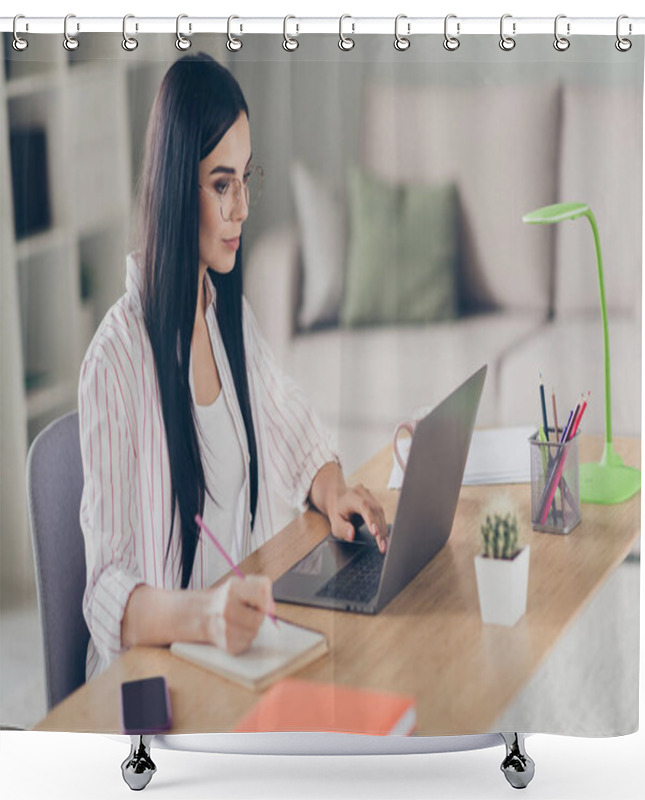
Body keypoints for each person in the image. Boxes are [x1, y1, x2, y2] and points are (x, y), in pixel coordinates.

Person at [78, 52, 388, 683]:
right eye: (222, 185)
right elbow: (106, 590)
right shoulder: (113, 362)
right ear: (172, 186)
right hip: (156, 680)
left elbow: (290, 421)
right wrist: (205, 616)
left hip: (232, 655)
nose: (243, 207)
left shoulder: (225, 314)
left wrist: (334, 492)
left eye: (247, 178)